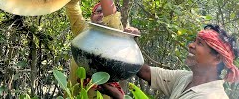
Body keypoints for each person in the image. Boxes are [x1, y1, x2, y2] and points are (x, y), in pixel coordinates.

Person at [65, 0, 140, 98]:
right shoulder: (83, 30)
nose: (101, 14)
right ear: (91, 17)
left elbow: (111, 17)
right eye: (97, 12)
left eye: (103, 11)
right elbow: (72, 5)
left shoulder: (115, 34)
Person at [98, 24, 239, 99]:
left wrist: (120, 98)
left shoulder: (211, 97)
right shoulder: (185, 78)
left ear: (217, 58)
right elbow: (144, 71)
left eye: (200, 43)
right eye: (194, 41)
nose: (191, 45)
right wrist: (129, 43)